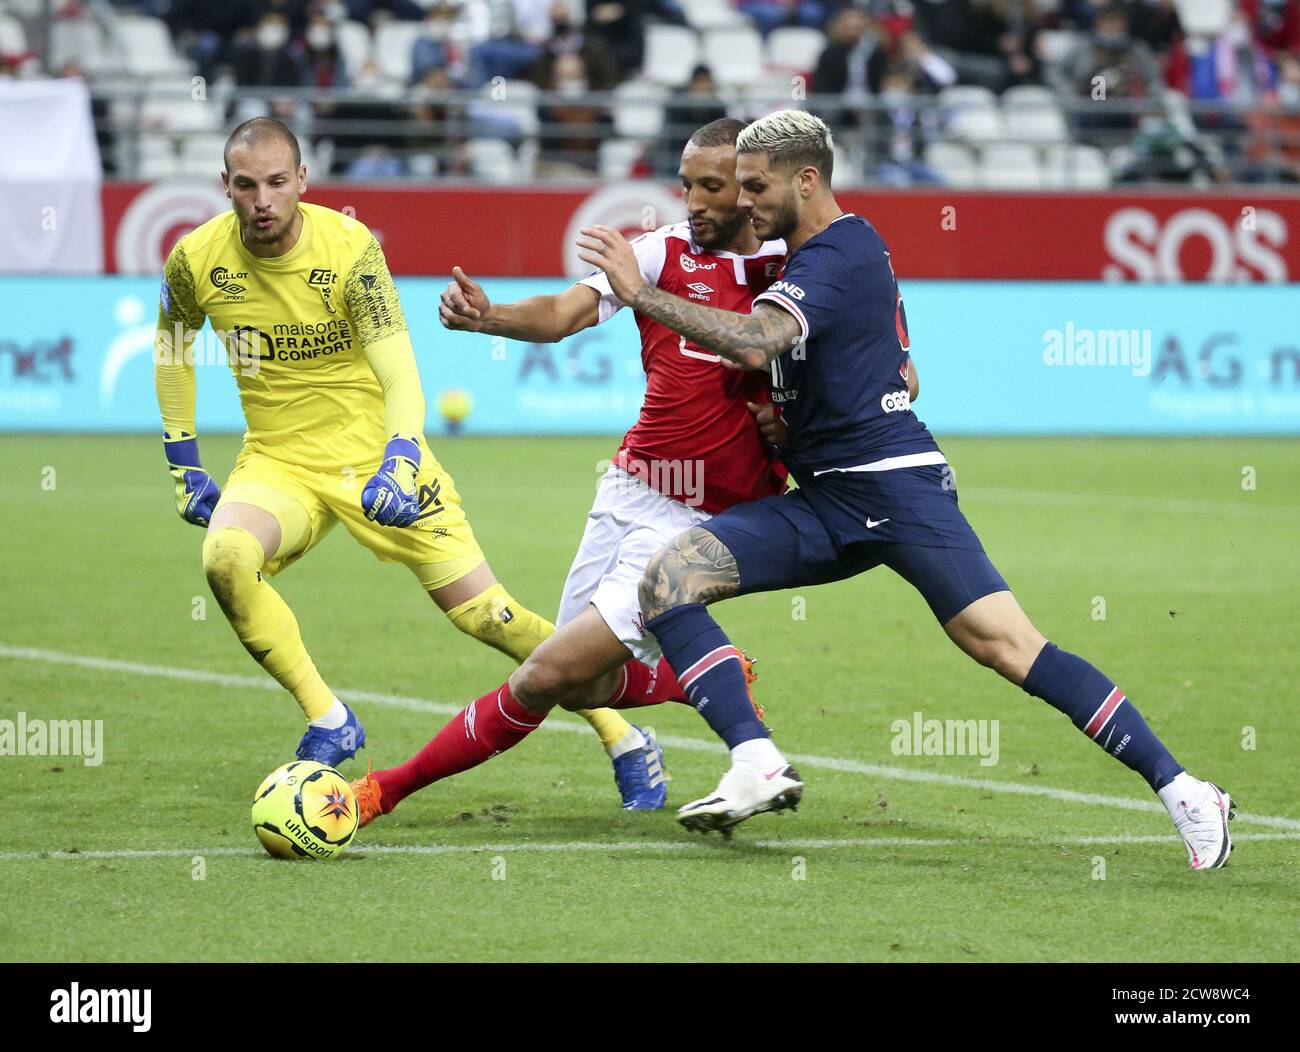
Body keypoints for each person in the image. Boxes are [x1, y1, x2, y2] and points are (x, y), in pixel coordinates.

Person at [577, 108, 1235, 870]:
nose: (741, 202)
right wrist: (797, 418)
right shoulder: (810, 260)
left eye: (756, 186)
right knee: (671, 576)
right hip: (827, 499)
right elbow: (900, 370)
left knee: (1007, 645)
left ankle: (1186, 790)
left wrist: (639, 291)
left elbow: (759, 338)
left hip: (896, 489)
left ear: (807, 178)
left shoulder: (838, 252)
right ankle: (755, 761)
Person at [350, 119, 917, 824]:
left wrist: (793, 422)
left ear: (750, 192)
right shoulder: (660, 252)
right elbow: (563, 313)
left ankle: (380, 792)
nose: (693, 202)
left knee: (544, 674)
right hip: (628, 489)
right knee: (586, 688)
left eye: (711, 187)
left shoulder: (801, 271)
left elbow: (896, 377)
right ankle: (697, 679)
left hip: (703, 521)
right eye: (686, 186)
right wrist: (490, 316)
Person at [153, 117, 658, 808]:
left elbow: (399, 371)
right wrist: (184, 458)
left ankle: (622, 733)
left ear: (302, 181)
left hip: (378, 457)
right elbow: (173, 346)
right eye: (246, 186)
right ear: (226, 186)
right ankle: (329, 720)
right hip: (279, 461)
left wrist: (400, 458)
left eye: (277, 183)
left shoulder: (351, 249)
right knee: (225, 560)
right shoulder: (195, 259)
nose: (263, 200)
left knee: (488, 616)